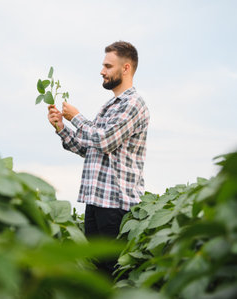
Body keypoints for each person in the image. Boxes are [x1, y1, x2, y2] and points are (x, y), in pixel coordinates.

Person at [47, 41, 150, 276]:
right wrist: (62, 127)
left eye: (107, 65)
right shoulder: (109, 106)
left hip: (115, 205)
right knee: (98, 273)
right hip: (95, 202)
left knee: (112, 273)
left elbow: (104, 141)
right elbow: (90, 148)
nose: (102, 71)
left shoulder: (133, 104)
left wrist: (76, 117)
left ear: (125, 68)